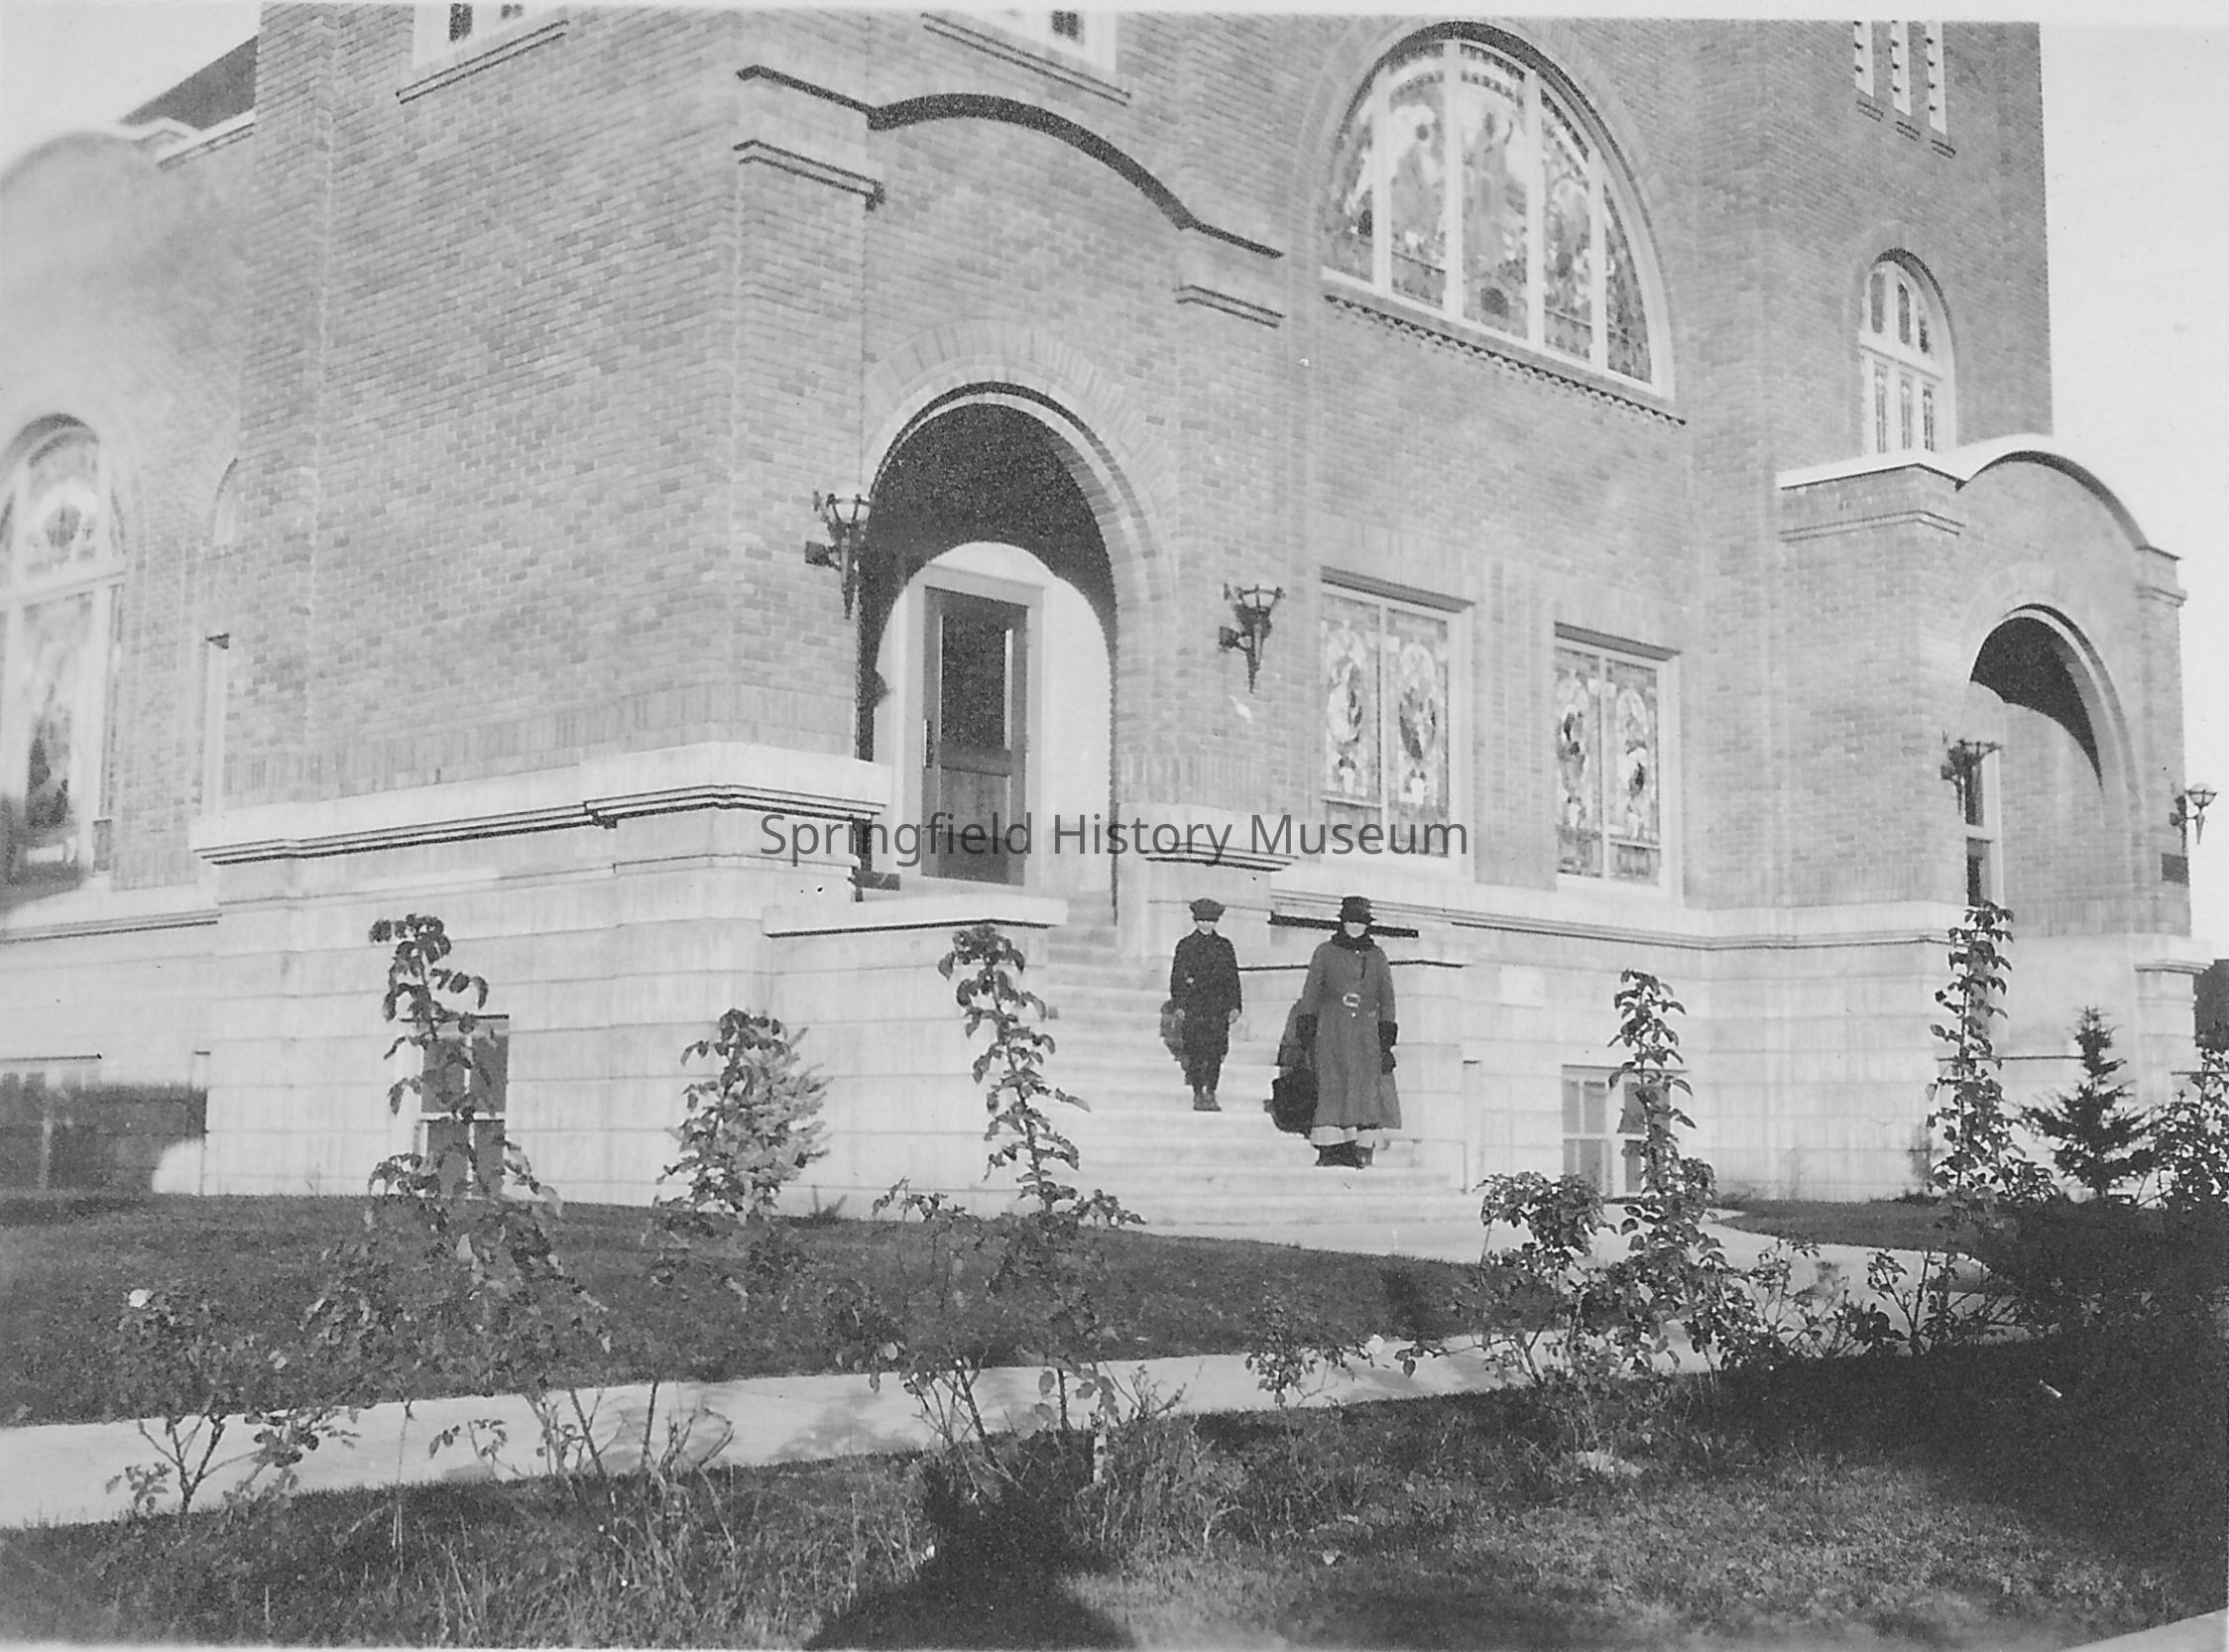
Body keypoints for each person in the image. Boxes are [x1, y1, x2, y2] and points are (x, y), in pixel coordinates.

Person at [1292, 893, 1399, 1167]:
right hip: (1332, 1031)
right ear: (1342, 922)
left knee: (1365, 1088)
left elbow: (1387, 998)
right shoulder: (1325, 952)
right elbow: (1311, 992)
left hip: (1366, 1033)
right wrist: (1307, 1028)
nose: (1355, 927)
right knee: (1333, 1086)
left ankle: (1362, 1146)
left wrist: (1386, 1037)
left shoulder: (1376, 956)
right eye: (1351, 921)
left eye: (1361, 922)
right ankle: (1331, 1147)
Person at [1168, 897, 1242, 1111]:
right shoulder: (1186, 945)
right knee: (1196, 1049)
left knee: (1216, 1050)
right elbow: (1177, 977)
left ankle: (1211, 1090)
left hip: (1218, 1007)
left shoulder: (1224, 946)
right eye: (1202, 920)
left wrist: (1235, 1005)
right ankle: (1198, 1090)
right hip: (1194, 1006)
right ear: (1195, 920)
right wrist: (1179, 1004)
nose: (1206, 924)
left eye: (1210, 920)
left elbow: (1233, 978)